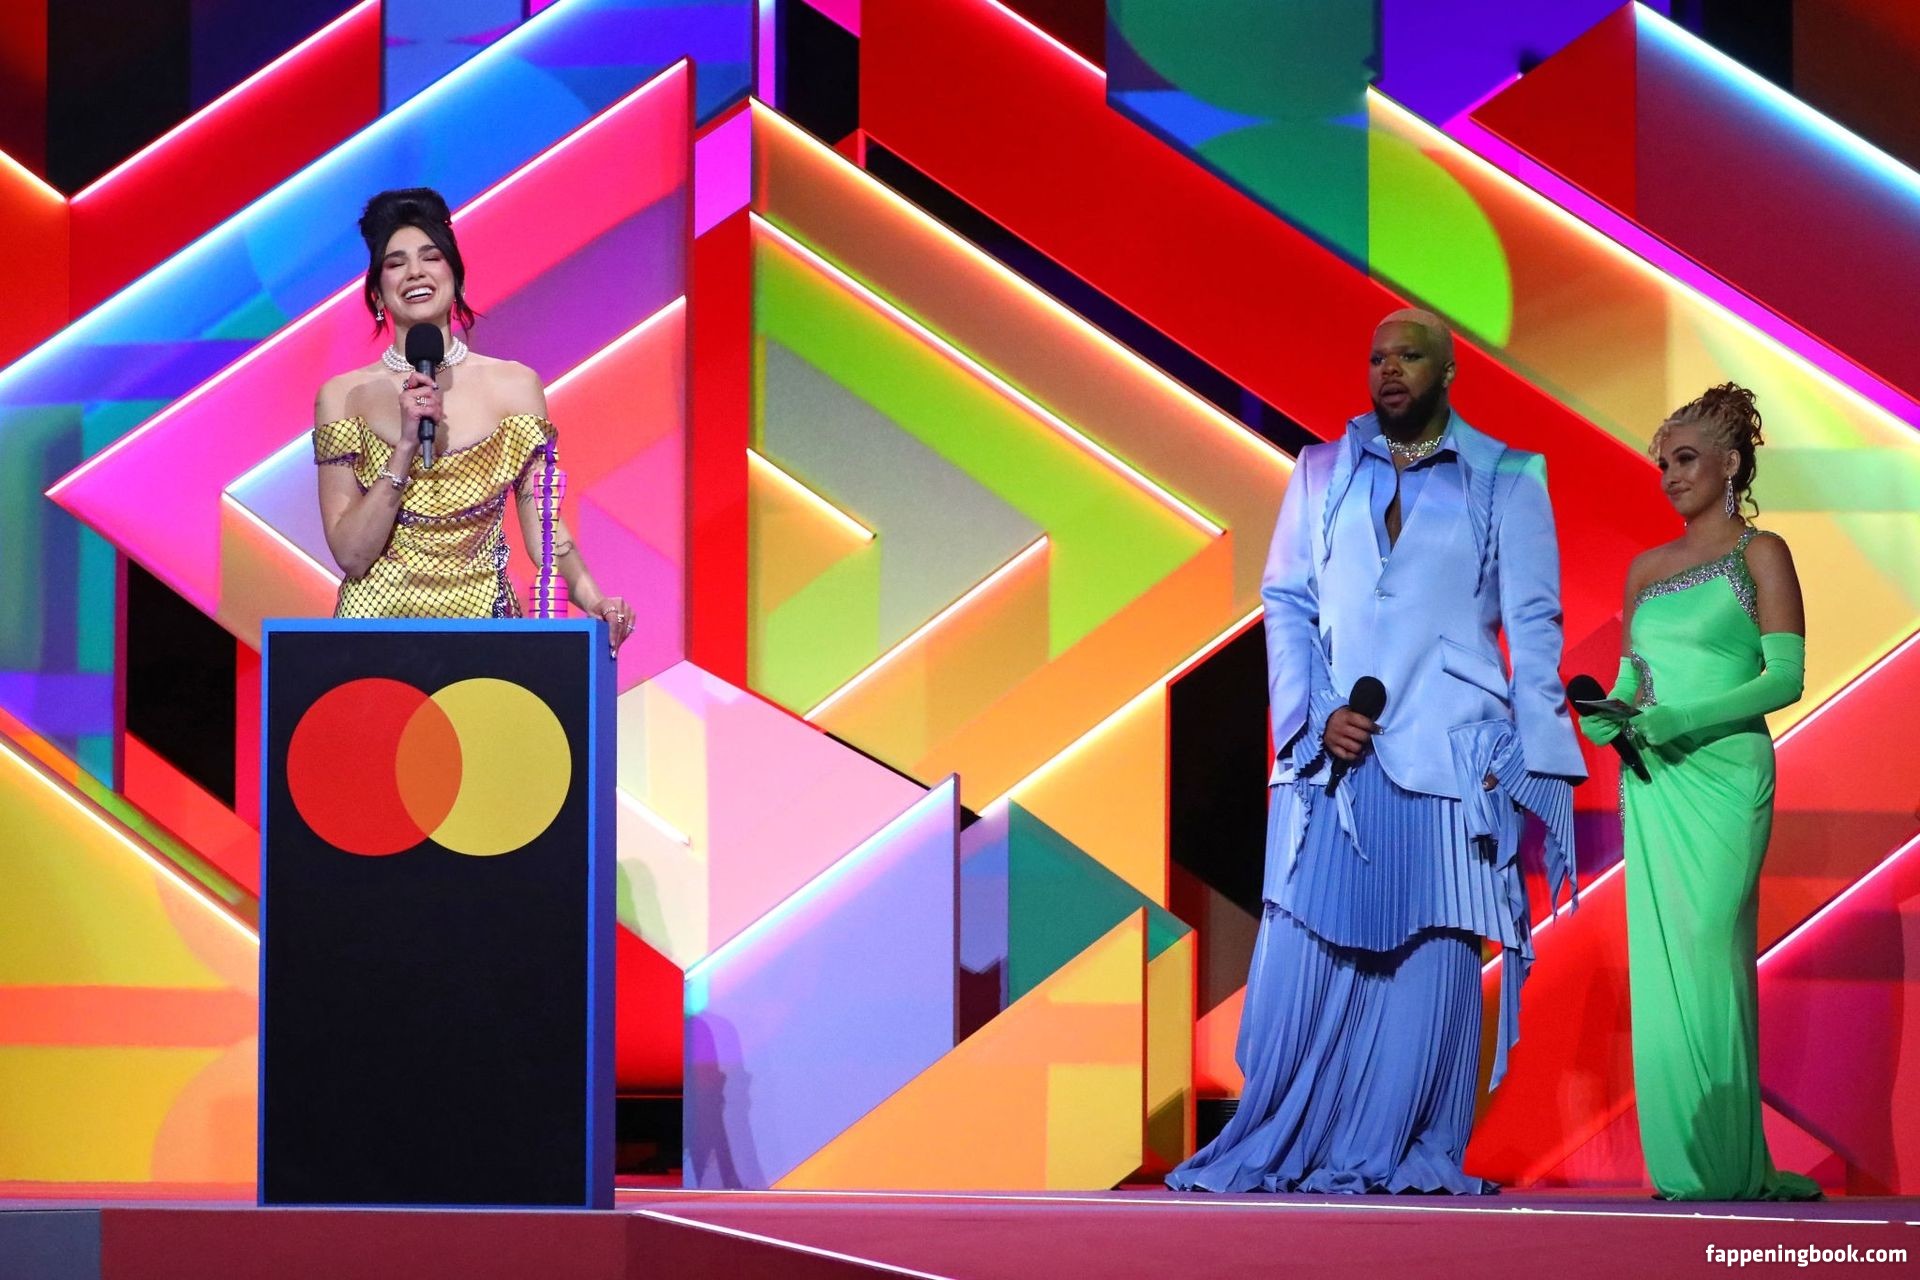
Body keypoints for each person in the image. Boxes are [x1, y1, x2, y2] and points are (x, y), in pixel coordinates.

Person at [1167, 308, 1585, 1195]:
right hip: (1331, 760)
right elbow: (1287, 601)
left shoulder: (1508, 477)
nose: (1389, 370)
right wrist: (1313, 714)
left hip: (1452, 755)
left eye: (1409, 356)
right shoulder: (1319, 471)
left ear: (1449, 372)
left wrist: (1541, 764)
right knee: (1306, 957)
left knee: (1431, 957)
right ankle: (1291, 1135)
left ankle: (1405, 1145)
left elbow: (1533, 624)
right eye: (1377, 357)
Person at [1577, 384, 1819, 1201]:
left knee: (1713, 953)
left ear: (1731, 464)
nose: (1670, 476)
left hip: (1724, 778)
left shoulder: (1762, 553)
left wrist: (1680, 718)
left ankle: (1731, 1165)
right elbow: (1634, 681)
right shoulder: (1645, 568)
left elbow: (1783, 678)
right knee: (1664, 964)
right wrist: (1611, 717)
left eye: (1685, 459)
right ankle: (1687, 1166)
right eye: (1663, 464)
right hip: (1656, 781)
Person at [313, 188, 633, 652]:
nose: (415, 272)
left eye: (431, 257)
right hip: (375, 636)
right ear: (377, 294)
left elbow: (544, 528)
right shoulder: (344, 397)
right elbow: (351, 555)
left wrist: (594, 598)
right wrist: (405, 448)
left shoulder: (515, 385)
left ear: (457, 279)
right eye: (396, 263)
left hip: (486, 633)